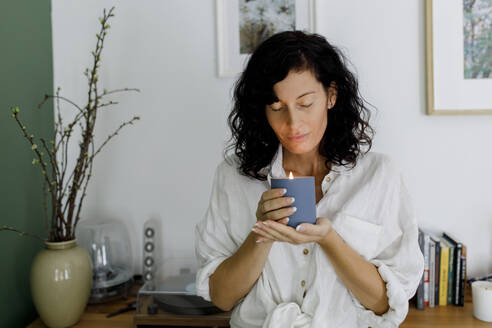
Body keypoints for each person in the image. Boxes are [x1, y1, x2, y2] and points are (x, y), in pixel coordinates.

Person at [194, 30, 424, 328]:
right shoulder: (234, 177)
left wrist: (329, 239)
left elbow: (384, 304)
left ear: (331, 95)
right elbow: (222, 298)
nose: (293, 124)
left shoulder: (379, 177)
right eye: (277, 108)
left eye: (305, 104)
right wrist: (262, 233)